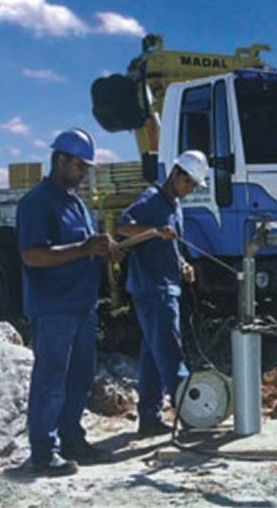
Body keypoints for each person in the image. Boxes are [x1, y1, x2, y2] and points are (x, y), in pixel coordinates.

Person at [16, 128, 117, 476]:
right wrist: (85, 248)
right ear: (60, 160)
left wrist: (99, 252)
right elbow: (33, 255)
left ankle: (72, 439)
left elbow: (81, 248)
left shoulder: (75, 202)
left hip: (81, 306)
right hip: (53, 307)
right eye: (80, 166)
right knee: (51, 379)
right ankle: (43, 453)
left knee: (78, 378)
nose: (84, 173)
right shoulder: (37, 202)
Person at [117, 150, 209, 437]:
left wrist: (182, 264)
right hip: (153, 289)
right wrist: (155, 230)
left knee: (152, 356)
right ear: (175, 174)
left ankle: (149, 418)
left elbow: (170, 245)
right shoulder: (150, 198)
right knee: (170, 352)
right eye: (189, 183)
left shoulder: (174, 204)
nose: (190, 189)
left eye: (194, 185)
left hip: (166, 285)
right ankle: (191, 416)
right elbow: (123, 227)